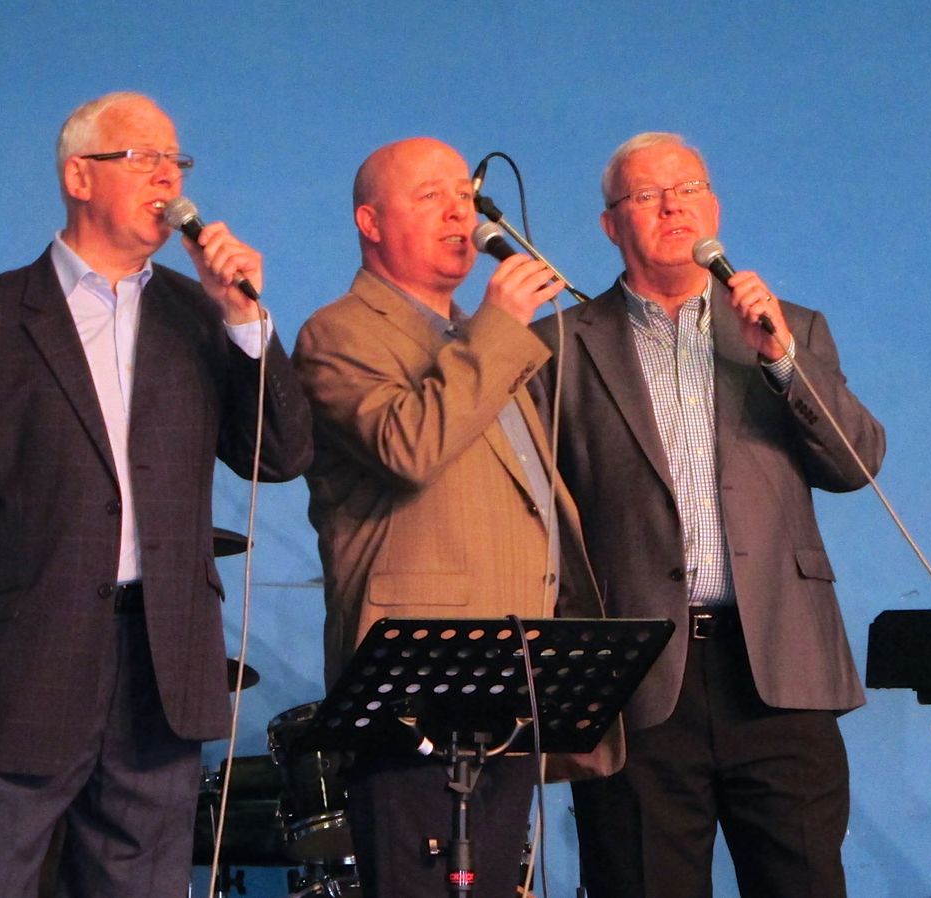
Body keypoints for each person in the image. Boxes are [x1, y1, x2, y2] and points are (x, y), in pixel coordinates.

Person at [0, 91, 313, 897]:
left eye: (176, 160)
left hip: (162, 667)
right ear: (79, 177)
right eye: (143, 158)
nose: (169, 178)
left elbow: (280, 456)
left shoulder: (198, 314)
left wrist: (244, 323)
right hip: (20, 669)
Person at [532, 132, 885, 898]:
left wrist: (782, 361)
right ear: (610, 224)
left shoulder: (791, 328)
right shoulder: (557, 348)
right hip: (635, 681)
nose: (673, 207)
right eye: (648, 195)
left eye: (689, 189)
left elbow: (857, 464)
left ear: (714, 208)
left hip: (779, 668)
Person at [292, 136, 613, 898]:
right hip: (413, 693)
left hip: (508, 684)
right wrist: (497, 326)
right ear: (370, 222)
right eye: (430, 196)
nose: (458, 213)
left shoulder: (480, 338)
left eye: (464, 197)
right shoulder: (339, 332)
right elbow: (409, 447)